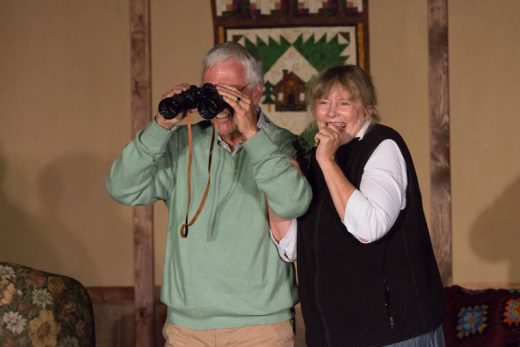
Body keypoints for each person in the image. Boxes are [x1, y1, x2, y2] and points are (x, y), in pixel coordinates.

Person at [106, 42, 312, 346]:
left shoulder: (282, 145)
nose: (219, 103)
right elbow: (122, 187)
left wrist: (253, 137)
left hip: (260, 328)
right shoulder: (182, 144)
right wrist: (161, 126)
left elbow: (294, 201)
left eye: (230, 92)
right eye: (211, 92)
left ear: (255, 93)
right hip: (186, 329)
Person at [296, 65, 445, 346]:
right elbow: (294, 247)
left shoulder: (383, 145)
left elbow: (368, 227)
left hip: (394, 333)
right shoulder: (313, 157)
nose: (331, 113)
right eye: (323, 103)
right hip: (334, 334)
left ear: (367, 107)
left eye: (344, 103)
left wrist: (327, 161)